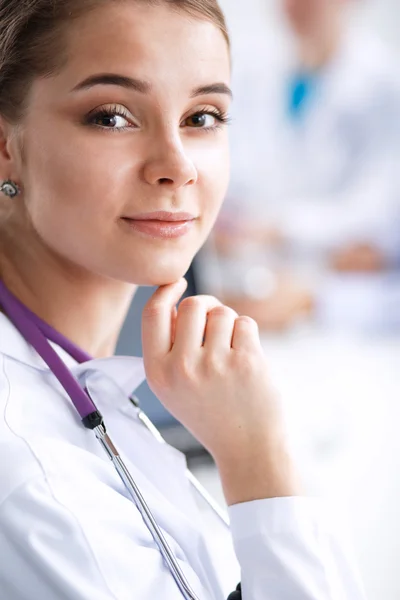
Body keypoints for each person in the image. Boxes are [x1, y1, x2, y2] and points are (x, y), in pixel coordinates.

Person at [0, 1, 366, 599]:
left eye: (203, 116)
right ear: (5, 145)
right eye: (112, 117)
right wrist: (258, 459)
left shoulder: (92, 388)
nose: (177, 165)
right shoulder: (34, 484)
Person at [207, 0, 400, 331]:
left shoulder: (385, 89)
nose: (294, 5)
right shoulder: (254, 76)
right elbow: (235, 180)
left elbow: (376, 229)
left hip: (346, 315)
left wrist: (277, 230)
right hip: (256, 291)